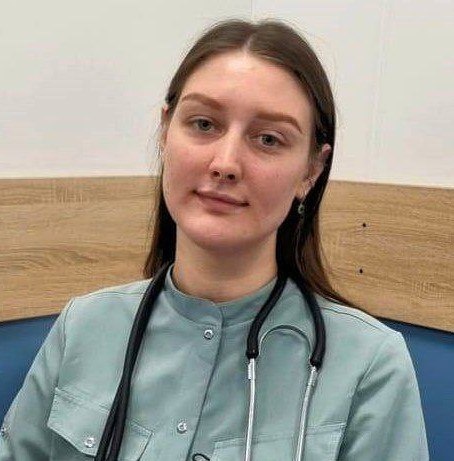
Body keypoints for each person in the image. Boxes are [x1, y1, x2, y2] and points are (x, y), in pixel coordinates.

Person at [0, 18, 428, 461]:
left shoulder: (370, 366)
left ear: (311, 171)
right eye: (203, 124)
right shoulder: (84, 327)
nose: (225, 163)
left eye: (268, 139)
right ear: (165, 132)